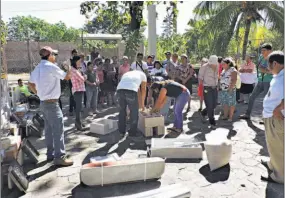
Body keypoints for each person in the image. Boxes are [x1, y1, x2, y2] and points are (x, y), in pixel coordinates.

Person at [28, 46, 73, 166]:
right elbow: (67, 77)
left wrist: (40, 94)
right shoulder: (51, 67)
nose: (55, 57)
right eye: (54, 55)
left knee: (48, 130)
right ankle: (59, 157)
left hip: (43, 103)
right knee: (58, 130)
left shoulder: (38, 68)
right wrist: (69, 68)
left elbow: (30, 84)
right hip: (52, 104)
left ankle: (50, 154)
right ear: (50, 55)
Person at [261, 51, 284, 184]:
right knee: (273, 145)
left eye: (269, 64)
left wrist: (278, 108)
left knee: (278, 147)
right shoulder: (279, 75)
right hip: (271, 116)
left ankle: (279, 176)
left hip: (276, 118)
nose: (267, 67)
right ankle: (272, 164)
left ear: (275, 63)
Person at [239, 43, 273, 120]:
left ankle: (266, 118)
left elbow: (272, 71)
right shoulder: (261, 57)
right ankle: (247, 114)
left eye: (264, 50)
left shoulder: (273, 59)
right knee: (252, 97)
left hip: (268, 82)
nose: (262, 52)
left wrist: (264, 70)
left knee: (266, 100)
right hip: (260, 81)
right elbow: (259, 67)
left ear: (270, 51)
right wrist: (263, 69)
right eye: (261, 50)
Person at [116, 70, 147, 140]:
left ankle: (121, 132)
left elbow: (138, 90)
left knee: (122, 111)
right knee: (134, 112)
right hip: (131, 91)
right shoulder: (143, 75)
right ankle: (133, 133)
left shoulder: (127, 73)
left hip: (119, 90)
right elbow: (143, 89)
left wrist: (141, 103)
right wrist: (142, 105)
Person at [198, 55, 219, 128]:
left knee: (214, 105)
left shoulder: (217, 65)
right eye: (213, 64)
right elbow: (200, 77)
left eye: (215, 64)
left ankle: (203, 113)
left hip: (215, 88)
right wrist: (202, 87)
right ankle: (212, 122)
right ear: (210, 62)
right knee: (210, 105)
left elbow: (217, 76)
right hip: (207, 88)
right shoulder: (204, 67)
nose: (214, 65)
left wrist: (217, 85)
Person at [70, 56, 87, 131]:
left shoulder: (77, 70)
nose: (80, 62)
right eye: (79, 61)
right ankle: (78, 123)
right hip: (77, 91)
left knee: (79, 107)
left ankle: (79, 121)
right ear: (75, 61)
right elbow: (82, 79)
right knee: (78, 108)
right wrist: (85, 77)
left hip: (79, 90)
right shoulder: (74, 71)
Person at [68, 49, 78, 116]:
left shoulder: (78, 60)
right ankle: (71, 110)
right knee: (72, 95)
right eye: (74, 54)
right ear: (72, 54)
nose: (75, 55)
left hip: (77, 79)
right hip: (71, 79)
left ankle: (76, 108)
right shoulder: (69, 61)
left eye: (76, 54)